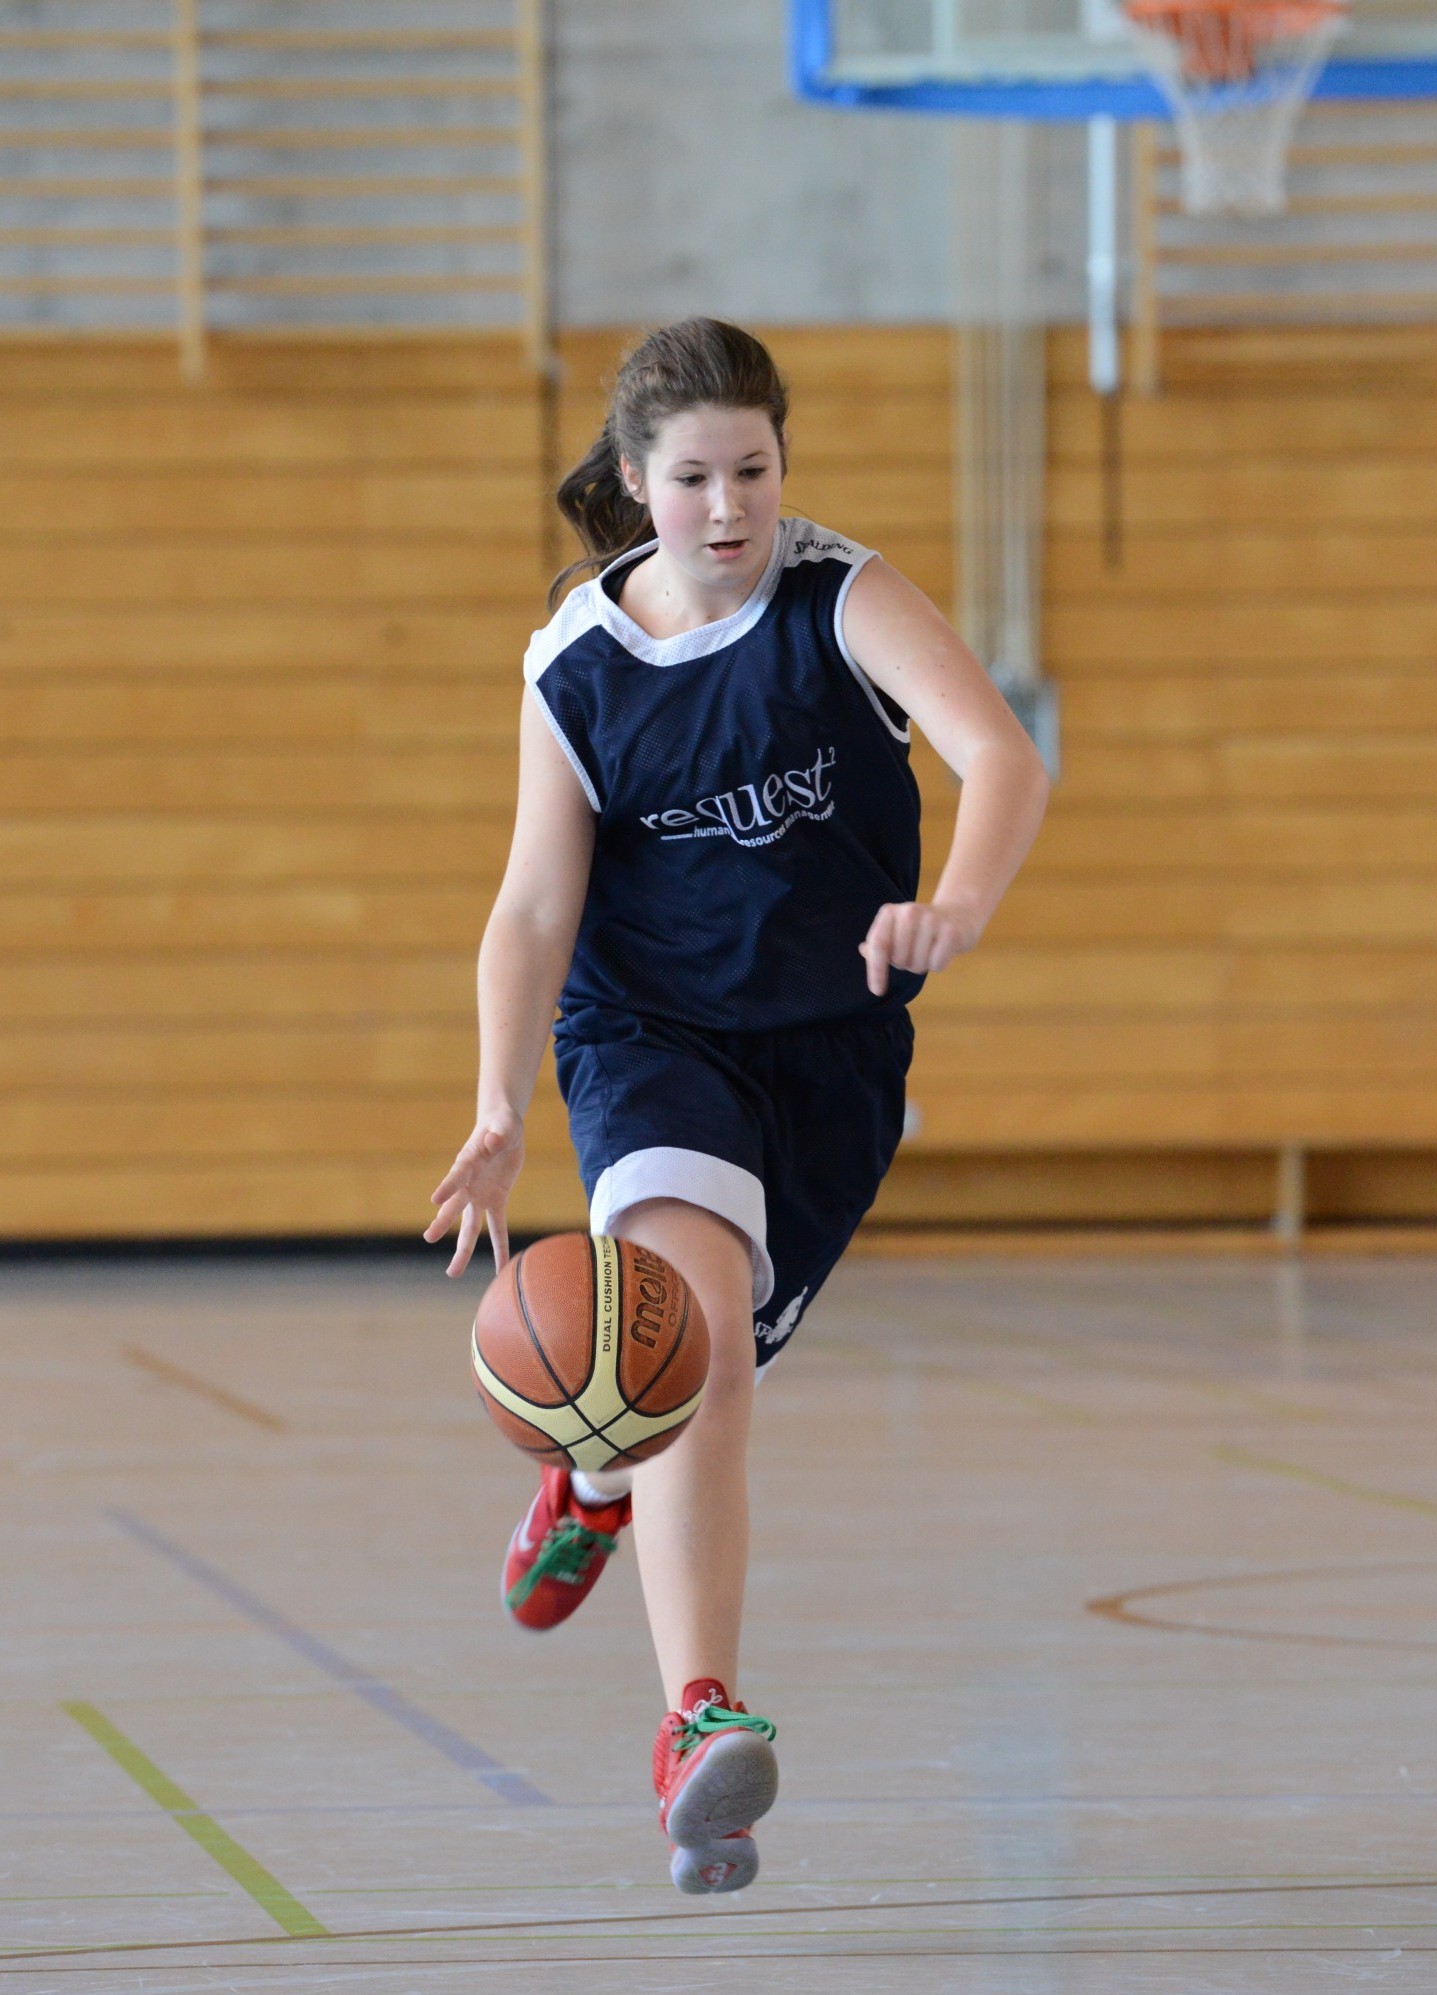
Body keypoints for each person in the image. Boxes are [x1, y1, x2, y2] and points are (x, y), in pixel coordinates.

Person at [425, 319, 1049, 1893]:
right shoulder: (577, 664)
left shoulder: (839, 598)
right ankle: (695, 1719)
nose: (726, 506)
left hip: (829, 1055)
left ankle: (589, 1480)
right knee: (692, 1341)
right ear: (637, 484)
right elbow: (528, 908)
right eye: (692, 477)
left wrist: (954, 910)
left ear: (783, 465)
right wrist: (498, 1105)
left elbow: (998, 755)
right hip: (648, 1034)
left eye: (752, 470)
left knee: (668, 1388)